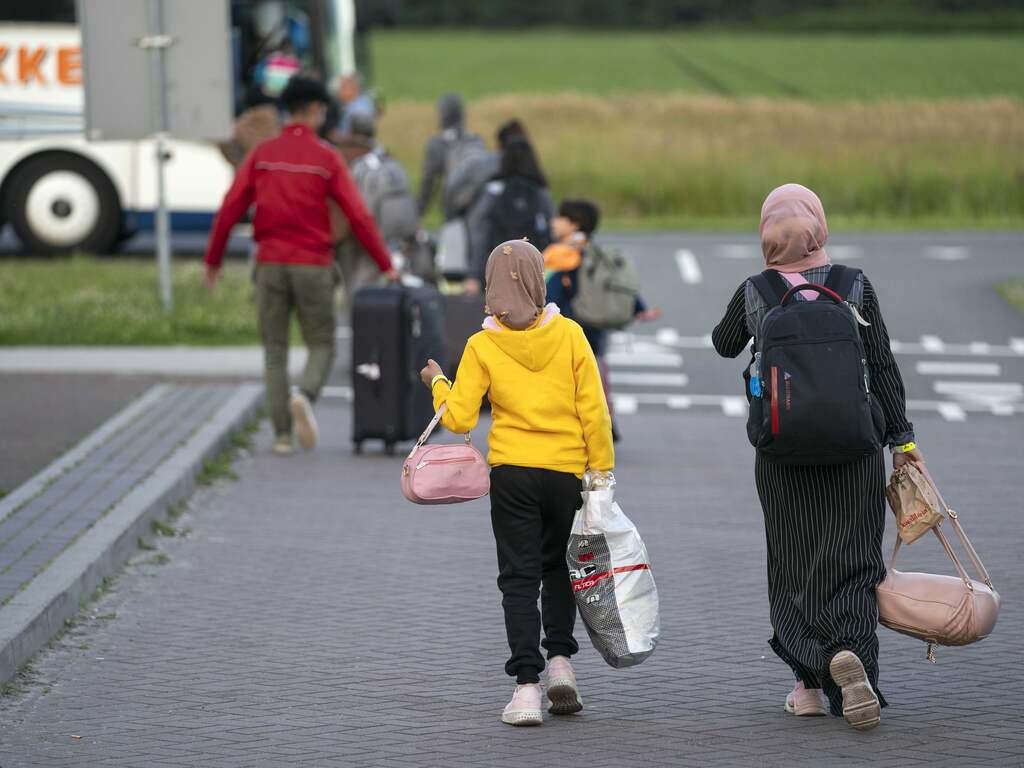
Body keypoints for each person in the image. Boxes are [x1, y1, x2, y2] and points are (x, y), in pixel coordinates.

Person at [711, 183, 923, 731]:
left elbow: (723, 343)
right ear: (819, 226)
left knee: (793, 559)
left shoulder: (756, 289)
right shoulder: (854, 285)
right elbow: (883, 368)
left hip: (782, 452)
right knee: (853, 557)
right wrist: (903, 443)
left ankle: (809, 682)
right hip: (855, 448)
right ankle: (855, 664)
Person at [418, 240, 614, 727]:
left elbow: (461, 415)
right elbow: (594, 408)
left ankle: (526, 688)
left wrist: (438, 383)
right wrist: (601, 472)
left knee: (519, 579)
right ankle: (562, 664)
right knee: (559, 569)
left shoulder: (482, 344)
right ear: (536, 279)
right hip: (565, 473)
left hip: (512, 474)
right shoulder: (569, 334)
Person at [205, 75, 398, 456]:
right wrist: (384, 263)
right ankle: (305, 395)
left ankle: (281, 437)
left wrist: (213, 259)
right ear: (314, 110)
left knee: (274, 350)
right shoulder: (326, 157)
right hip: (313, 264)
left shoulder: (262, 154)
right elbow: (357, 214)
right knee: (322, 344)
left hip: (270, 264)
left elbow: (231, 207)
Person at [543, 199, 661, 442]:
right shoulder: (596, 254)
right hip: (595, 329)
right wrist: (639, 308)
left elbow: (551, 294)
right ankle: (605, 424)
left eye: (560, 218)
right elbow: (613, 285)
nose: (553, 222)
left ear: (573, 224)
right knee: (596, 377)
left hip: (571, 327)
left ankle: (587, 428)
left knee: (571, 384)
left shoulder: (563, 255)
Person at [335, 114, 419, 304]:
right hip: (398, 238)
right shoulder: (392, 162)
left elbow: (358, 212)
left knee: (360, 293)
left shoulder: (360, 165)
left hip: (371, 239)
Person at [464, 138, 554, 292]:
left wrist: (473, 274)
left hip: (498, 264)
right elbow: (552, 227)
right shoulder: (539, 191)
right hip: (532, 267)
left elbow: (480, 232)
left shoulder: (494, 190)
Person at [417, 93, 486, 217]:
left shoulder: (437, 144)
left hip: (454, 207)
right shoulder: (476, 140)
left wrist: (418, 213)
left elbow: (428, 184)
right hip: (481, 202)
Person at [334, 72, 376, 137]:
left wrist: (335, 136)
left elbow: (359, 137)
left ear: (354, 89)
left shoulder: (359, 109)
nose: (338, 92)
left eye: (343, 88)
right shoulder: (353, 105)